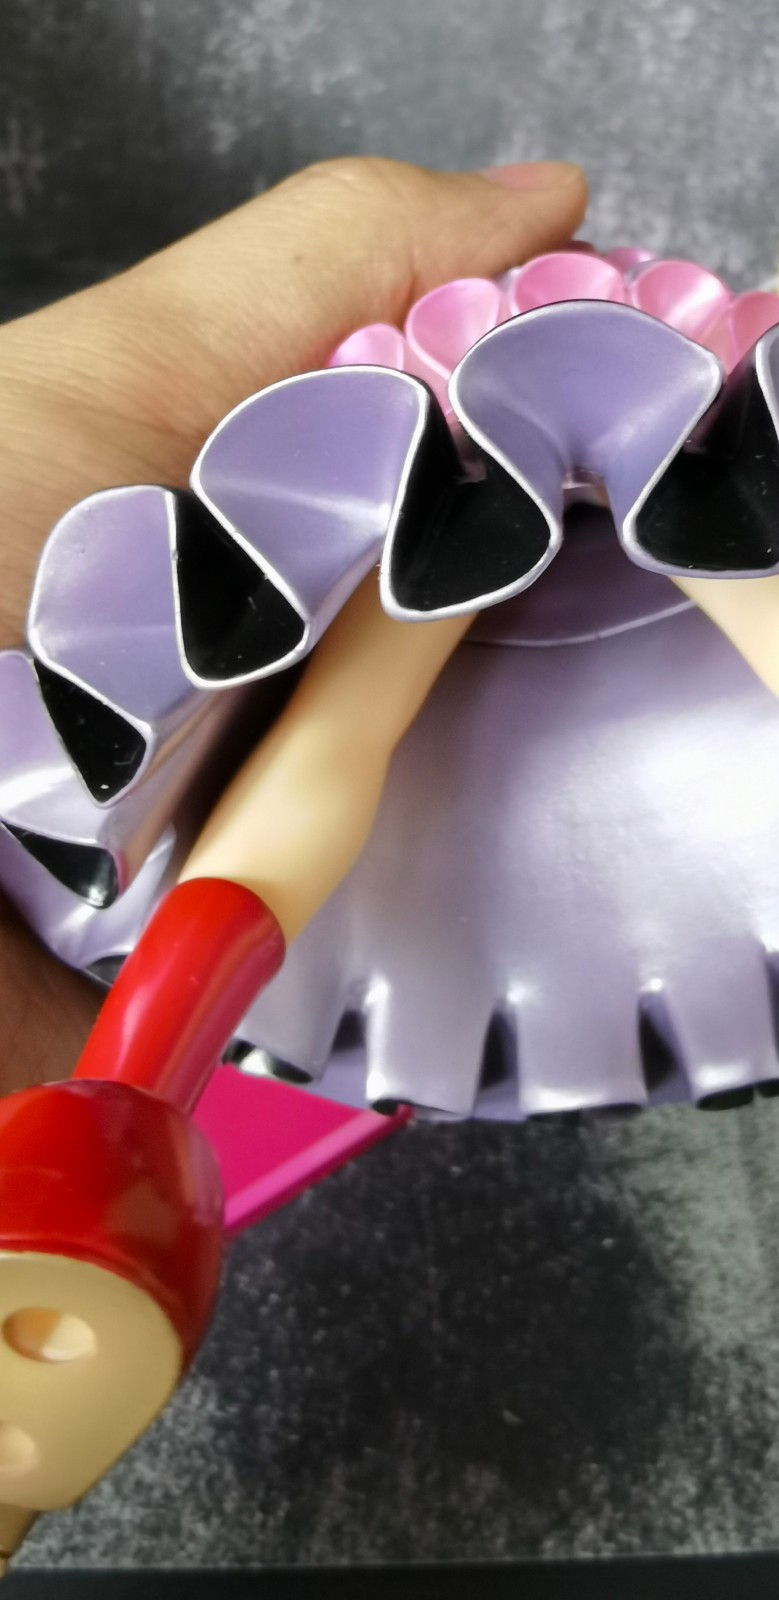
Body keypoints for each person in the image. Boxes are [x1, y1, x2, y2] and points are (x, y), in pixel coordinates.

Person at [0, 156, 588, 1098]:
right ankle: (142, 1068)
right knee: (345, 716)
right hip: (402, 452)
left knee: (345, 717)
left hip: (434, 439)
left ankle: (143, 1067)